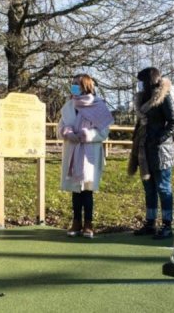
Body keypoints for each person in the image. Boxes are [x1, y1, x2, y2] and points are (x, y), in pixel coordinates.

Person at [58, 74, 114, 238]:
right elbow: (60, 127)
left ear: (86, 86)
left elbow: (104, 132)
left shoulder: (98, 105)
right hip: (73, 151)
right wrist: (66, 132)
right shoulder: (68, 106)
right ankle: (76, 222)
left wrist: (88, 135)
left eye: (77, 84)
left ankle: (88, 224)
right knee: (76, 190)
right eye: (73, 83)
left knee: (87, 190)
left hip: (89, 154)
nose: (74, 86)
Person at [128, 67, 174, 240]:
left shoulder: (164, 97)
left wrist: (159, 138)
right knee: (149, 188)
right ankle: (150, 223)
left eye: (142, 81)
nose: (140, 85)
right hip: (144, 149)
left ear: (149, 81)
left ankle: (167, 224)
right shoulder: (143, 99)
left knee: (163, 188)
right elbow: (141, 123)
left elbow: (173, 123)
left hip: (161, 151)